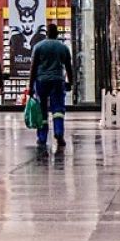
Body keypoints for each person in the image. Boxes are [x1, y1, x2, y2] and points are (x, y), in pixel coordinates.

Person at [28, 23, 74, 151]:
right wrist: (70, 82)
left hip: (41, 81)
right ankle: (59, 133)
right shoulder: (63, 48)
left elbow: (33, 68)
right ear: (57, 34)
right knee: (58, 109)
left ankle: (42, 137)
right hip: (57, 81)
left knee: (42, 110)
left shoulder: (38, 47)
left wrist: (31, 86)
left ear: (46, 33)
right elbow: (68, 67)